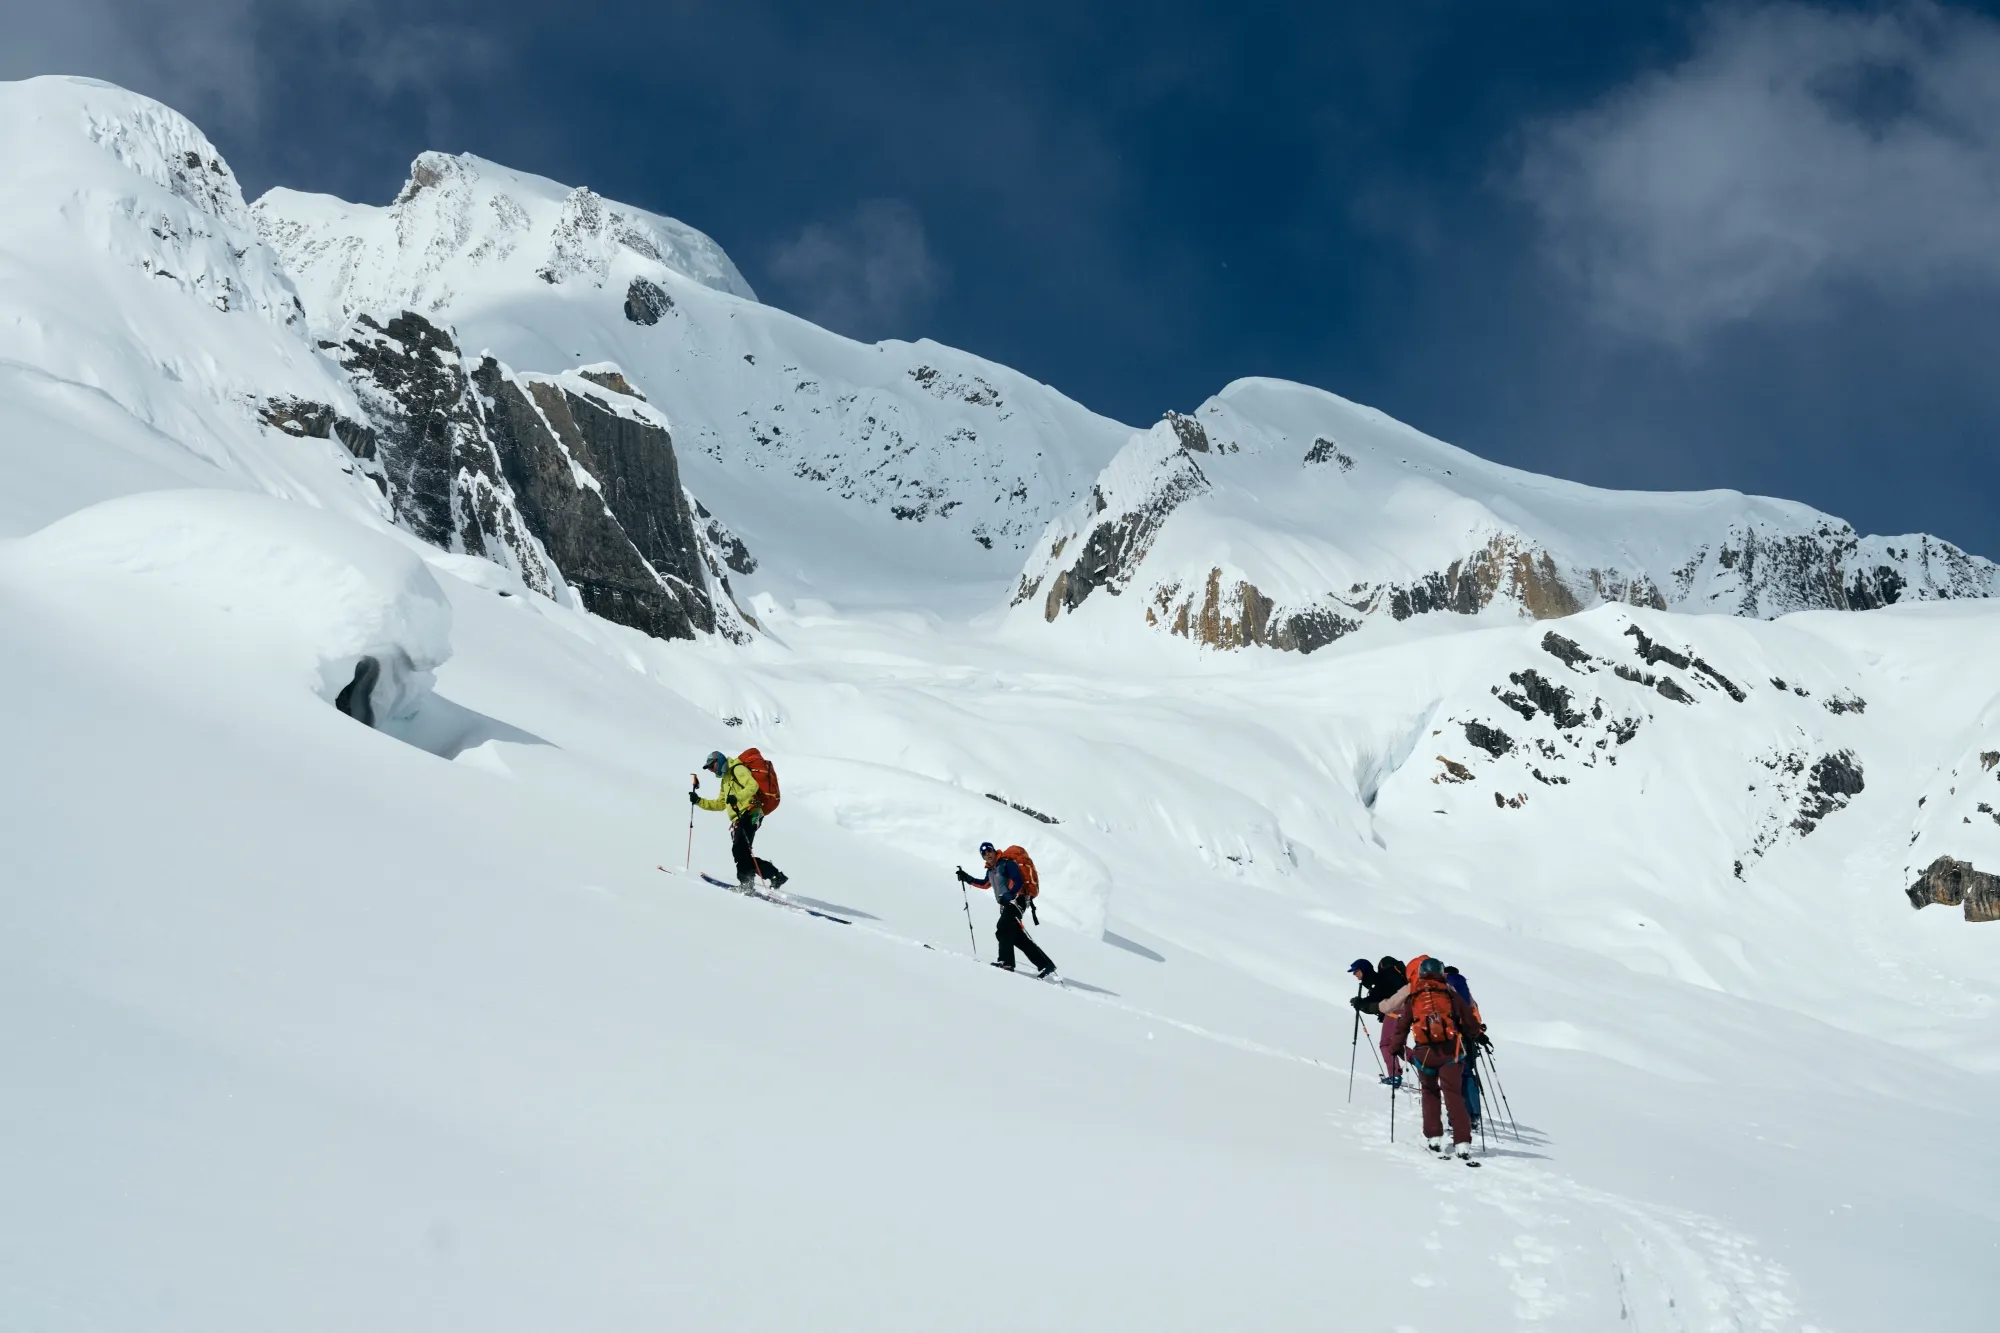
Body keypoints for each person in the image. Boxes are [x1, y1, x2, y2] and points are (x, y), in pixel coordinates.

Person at [1392, 956, 1484, 1160]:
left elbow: (1402, 1026)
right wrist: (1475, 1033)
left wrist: (1395, 1048)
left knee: (1429, 1093)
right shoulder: (1449, 994)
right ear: (1442, 973)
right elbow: (1470, 1022)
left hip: (1425, 1054)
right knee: (1454, 1096)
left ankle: (1434, 1138)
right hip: (1450, 1053)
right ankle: (1462, 1143)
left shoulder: (1414, 996)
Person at [690, 750, 787, 892]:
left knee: (739, 849)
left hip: (750, 811)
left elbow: (752, 786)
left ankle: (747, 884)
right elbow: (721, 804)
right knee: (742, 852)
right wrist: (699, 801)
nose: (712, 770)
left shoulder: (737, 769)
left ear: (720, 761)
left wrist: (737, 798)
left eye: (712, 766)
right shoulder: (725, 780)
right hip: (740, 817)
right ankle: (773, 876)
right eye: (709, 768)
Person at [957, 841, 1056, 978]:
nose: (987, 854)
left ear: (994, 851)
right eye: (984, 853)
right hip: (1006, 904)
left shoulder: (1006, 863)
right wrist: (966, 878)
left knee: (1003, 927)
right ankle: (1046, 965)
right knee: (1016, 937)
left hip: (1017, 900)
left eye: (989, 851)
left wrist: (1010, 894)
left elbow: (1018, 880)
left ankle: (1006, 963)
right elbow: (985, 884)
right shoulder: (991, 871)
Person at [1348, 955, 1411, 1087]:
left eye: (1357, 972)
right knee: (1397, 1046)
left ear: (1364, 970)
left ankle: (1395, 1076)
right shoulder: (1378, 980)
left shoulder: (1377, 980)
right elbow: (1377, 999)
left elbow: (1377, 1001)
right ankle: (1424, 1062)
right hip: (1403, 1010)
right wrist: (1362, 1003)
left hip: (1395, 1012)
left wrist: (1361, 1003)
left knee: (1386, 1044)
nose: (1355, 975)